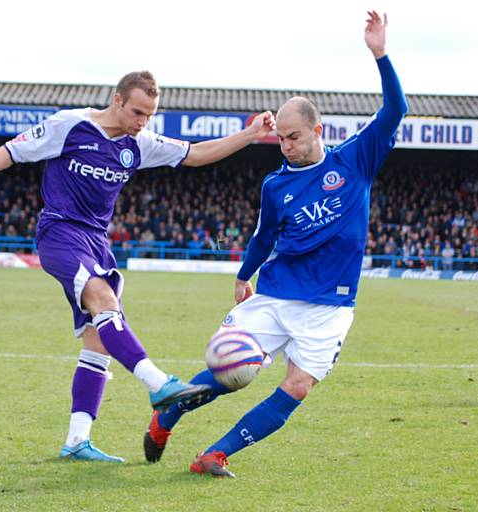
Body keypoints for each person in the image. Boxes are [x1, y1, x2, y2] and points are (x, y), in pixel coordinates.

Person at [143, 11, 408, 477]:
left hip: (331, 305)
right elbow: (263, 237)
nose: (286, 145)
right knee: (232, 374)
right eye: (281, 138)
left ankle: (215, 454)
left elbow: (395, 111)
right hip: (277, 293)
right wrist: (244, 276)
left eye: (294, 137)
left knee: (299, 386)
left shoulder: (355, 161)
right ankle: (169, 412)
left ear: (317, 130)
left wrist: (380, 54)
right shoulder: (275, 186)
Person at [0, 71, 275, 463]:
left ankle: (77, 440)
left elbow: (194, 154)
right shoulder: (69, 125)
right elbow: (15, 148)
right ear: (118, 100)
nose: (143, 122)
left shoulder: (139, 143)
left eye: (149, 115)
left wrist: (249, 136)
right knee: (104, 301)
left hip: (97, 241)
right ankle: (158, 383)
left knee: (98, 340)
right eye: (138, 112)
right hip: (59, 231)